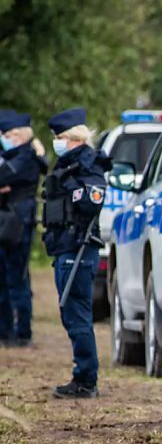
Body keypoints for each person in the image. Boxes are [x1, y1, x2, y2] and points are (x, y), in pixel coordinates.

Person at [43, 107, 110, 399]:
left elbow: (94, 199)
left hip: (79, 247)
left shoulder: (87, 163)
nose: (56, 142)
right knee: (71, 314)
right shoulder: (69, 163)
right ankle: (83, 376)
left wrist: (70, 188)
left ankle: (85, 381)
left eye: (59, 137)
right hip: (66, 247)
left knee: (77, 314)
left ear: (72, 138)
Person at [0, 111, 48, 347]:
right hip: (8, 219)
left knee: (17, 277)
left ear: (19, 134)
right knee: (5, 277)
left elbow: (5, 174)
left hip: (18, 222)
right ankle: (6, 331)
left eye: (8, 135)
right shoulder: (12, 154)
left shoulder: (27, 156)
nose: (5, 138)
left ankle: (22, 333)